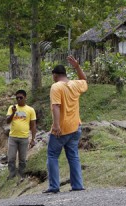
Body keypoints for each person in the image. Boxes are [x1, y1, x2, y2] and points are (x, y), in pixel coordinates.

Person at [43, 56, 88, 194]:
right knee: (73, 156)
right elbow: (84, 80)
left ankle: (54, 186)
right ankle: (77, 185)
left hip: (62, 129)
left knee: (52, 155)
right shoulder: (75, 84)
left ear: (55, 75)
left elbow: (56, 106)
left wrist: (56, 126)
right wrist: (77, 67)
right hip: (75, 127)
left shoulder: (56, 87)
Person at [5, 89, 37, 180]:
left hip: (24, 137)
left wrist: (33, 139)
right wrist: (13, 112)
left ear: (25, 98)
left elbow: (33, 125)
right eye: (17, 98)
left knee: (22, 159)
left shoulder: (30, 110)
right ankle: (12, 174)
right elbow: (7, 121)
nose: (19, 99)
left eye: (21, 97)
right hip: (13, 137)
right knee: (11, 158)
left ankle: (21, 174)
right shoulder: (12, 107)